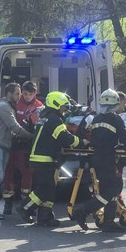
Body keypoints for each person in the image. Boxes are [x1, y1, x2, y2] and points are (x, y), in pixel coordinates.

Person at [71, 89, 126, 233]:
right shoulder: (116, 119)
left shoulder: (96, 118)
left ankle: (108, 222)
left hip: (97, 158)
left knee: (109, 190)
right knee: (110, 191)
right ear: (115, 104)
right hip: (107, 158)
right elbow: (125, 137)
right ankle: (82, 211)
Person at [16, 91, 85, 226]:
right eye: (64, 107)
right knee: (44, 189)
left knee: (50, 189)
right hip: (44, 159)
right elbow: (65, 138)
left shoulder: (44, 116)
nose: (65, 110)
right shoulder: (54, 119)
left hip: (41, 158)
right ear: (56, 105)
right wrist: (82, 142)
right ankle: (24, 207)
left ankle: (45, 216)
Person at [0, 83, 33, 220]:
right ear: (9, 94)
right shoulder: (4, 107)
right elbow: (14, 127)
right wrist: (32, 136)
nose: (20, 96)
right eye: (17, 93)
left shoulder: (8, 106)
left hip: (1, 145)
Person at [1, 81, 43, 215]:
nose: (27, 96)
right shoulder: (15, 103)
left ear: (35, 93)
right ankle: (8, 203)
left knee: (27, 173)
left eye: (30, 94)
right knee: (8, 172)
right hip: (12, 143)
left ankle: (26, 203)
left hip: (27, 144)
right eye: (25, 94)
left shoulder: (39, 106)